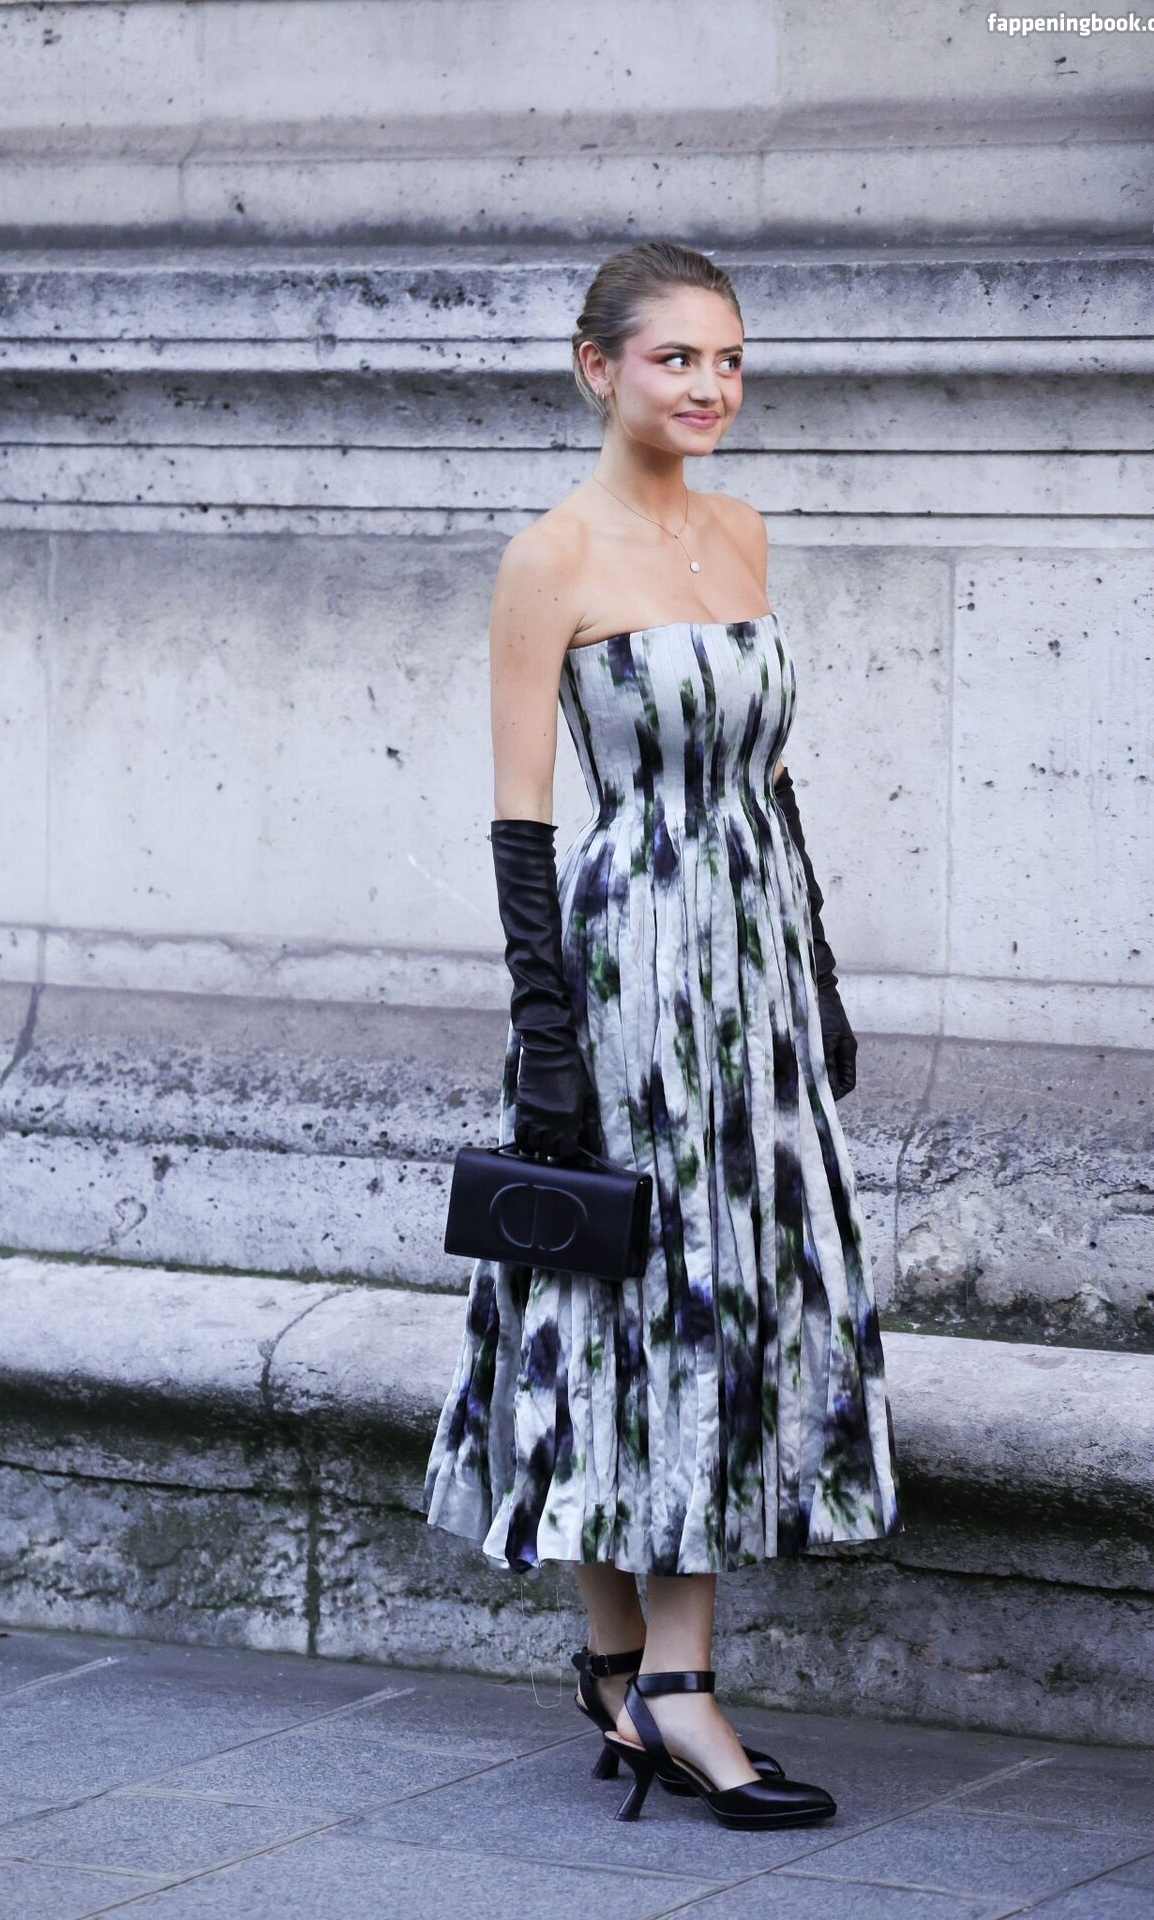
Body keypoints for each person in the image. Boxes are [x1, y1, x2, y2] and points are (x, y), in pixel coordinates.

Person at [423, 239, 900, 1830]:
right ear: (597, 367)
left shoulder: (742, 531)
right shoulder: (548, 557)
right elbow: (520, 822)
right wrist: (544, 1034)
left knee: (726, 1294)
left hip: (752, 970)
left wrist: (815, 969)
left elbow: (773, 782)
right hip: (629, 965)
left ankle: (636, 1674)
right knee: (613, 1294)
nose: (710, 387)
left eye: (729, 360)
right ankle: (656, 1676)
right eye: (676, 358)